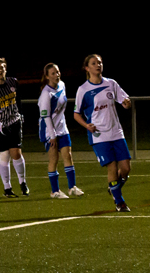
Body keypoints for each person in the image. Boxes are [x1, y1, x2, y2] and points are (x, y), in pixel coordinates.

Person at [73, 54, 133, 212]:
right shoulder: (83, 90)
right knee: (112, 167)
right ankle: (119, 202)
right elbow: (76, 114)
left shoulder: (111, 83)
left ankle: (114, 188)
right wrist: (87, 125)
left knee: (126, 168)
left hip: (116, 132)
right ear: (87, 68)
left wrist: (126, 103)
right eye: (94, 63)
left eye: (99, 62)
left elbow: (124, 100)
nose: (98, 65)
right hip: (99, 135)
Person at [0, 57, 29, 198]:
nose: (0, 70)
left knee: (16, 153)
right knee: (4, 155)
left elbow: (18, 99)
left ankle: (23, 182)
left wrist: (20, 114)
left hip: (14, 122)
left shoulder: (13, 82)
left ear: (5, 69)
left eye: (2, 67)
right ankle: (7, 187)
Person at [38, 63, 84, 199]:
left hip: (62, 128)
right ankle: (55, 191)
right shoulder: (46, 94)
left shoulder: (62, 85)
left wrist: (61, 127)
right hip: (49, 131)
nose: (57, 75)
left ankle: (72, 188)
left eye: (57, 72)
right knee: (54, 159)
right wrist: (52, 136)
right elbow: (45, 116)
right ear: (47, 76)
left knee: (68, 156)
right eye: (53, 73)